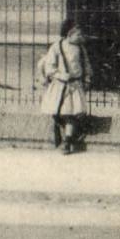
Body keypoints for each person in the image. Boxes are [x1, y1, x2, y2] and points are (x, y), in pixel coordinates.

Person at [38, 17, 92, 154]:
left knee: (72, 114)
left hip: (75, 85)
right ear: (69, 34)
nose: (81, 37)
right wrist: (60, 75)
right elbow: (50, 67)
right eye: (78, 34)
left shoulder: (80, 48)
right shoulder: (57, 47)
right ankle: (58, 127)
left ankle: (67, 141)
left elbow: (86, 65)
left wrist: (86, 79)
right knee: (57, 112)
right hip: (59, 86)